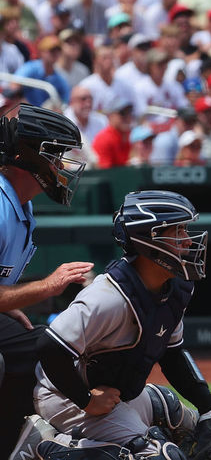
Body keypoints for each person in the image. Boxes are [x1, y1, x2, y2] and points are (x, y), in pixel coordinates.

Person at [13, 190, 211, 460]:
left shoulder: (176, 287)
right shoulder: (108, 296)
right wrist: (86, 399)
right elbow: (49, 346)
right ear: (150, 240)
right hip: (67, 400)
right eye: (178, 232)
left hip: (118, 395)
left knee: (171, 409)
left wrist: (209, 406)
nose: (188, 241)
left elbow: (173, 354)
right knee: (160, 456)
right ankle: (43, 447)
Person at [0, 104, 93, 458]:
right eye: (54, 154)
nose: (61, 165)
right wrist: (48, 286)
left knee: (33, 345)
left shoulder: (21, 206)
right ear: (29, 156)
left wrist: (9, 308)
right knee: (46, 345)